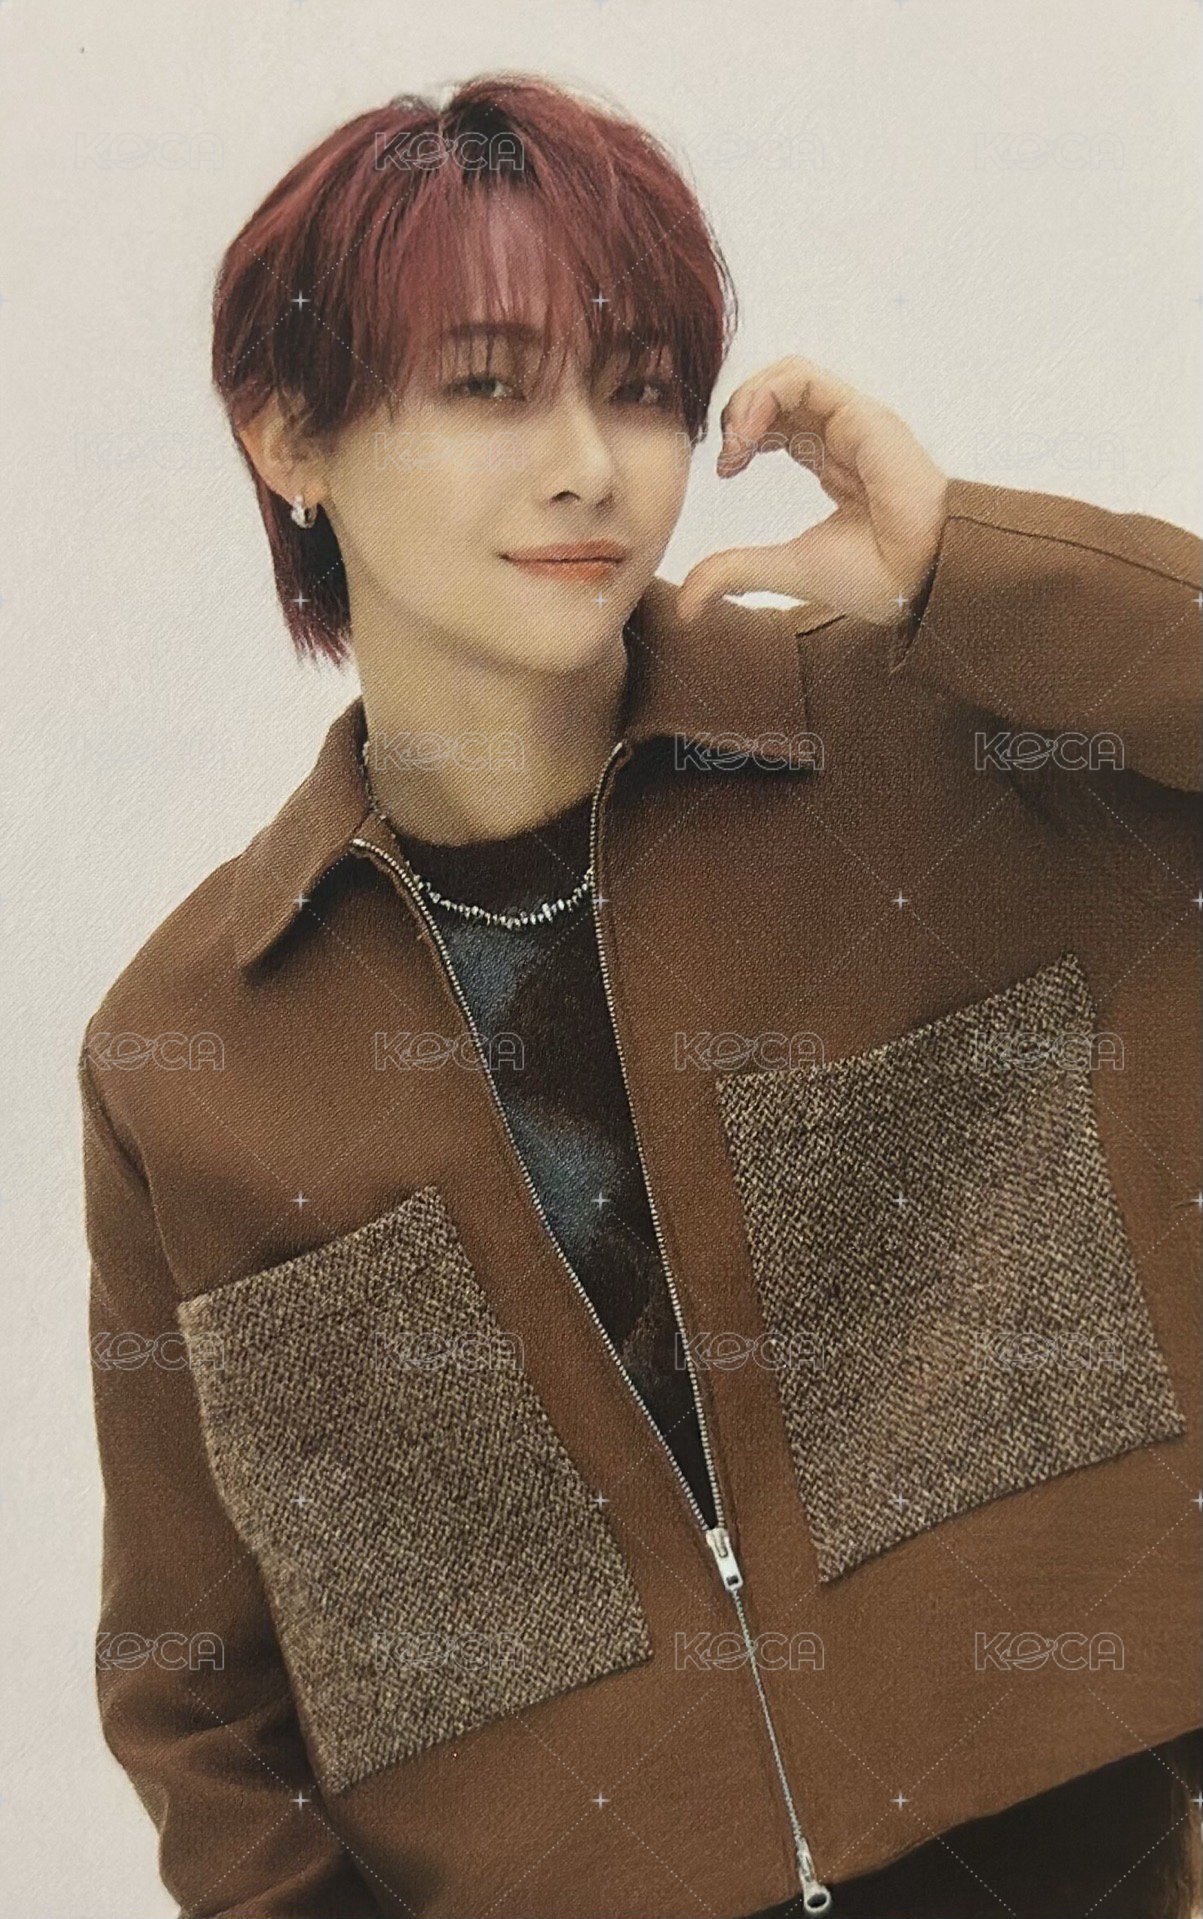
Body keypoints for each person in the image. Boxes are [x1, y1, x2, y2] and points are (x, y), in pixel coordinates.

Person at [79, 73, 1201, 1918]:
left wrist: (960, 568)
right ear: (289, 437)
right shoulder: (193, 1050)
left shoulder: (923, 748)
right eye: (490, 386)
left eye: (643, 385)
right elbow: (200, 1703)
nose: (591, 464)